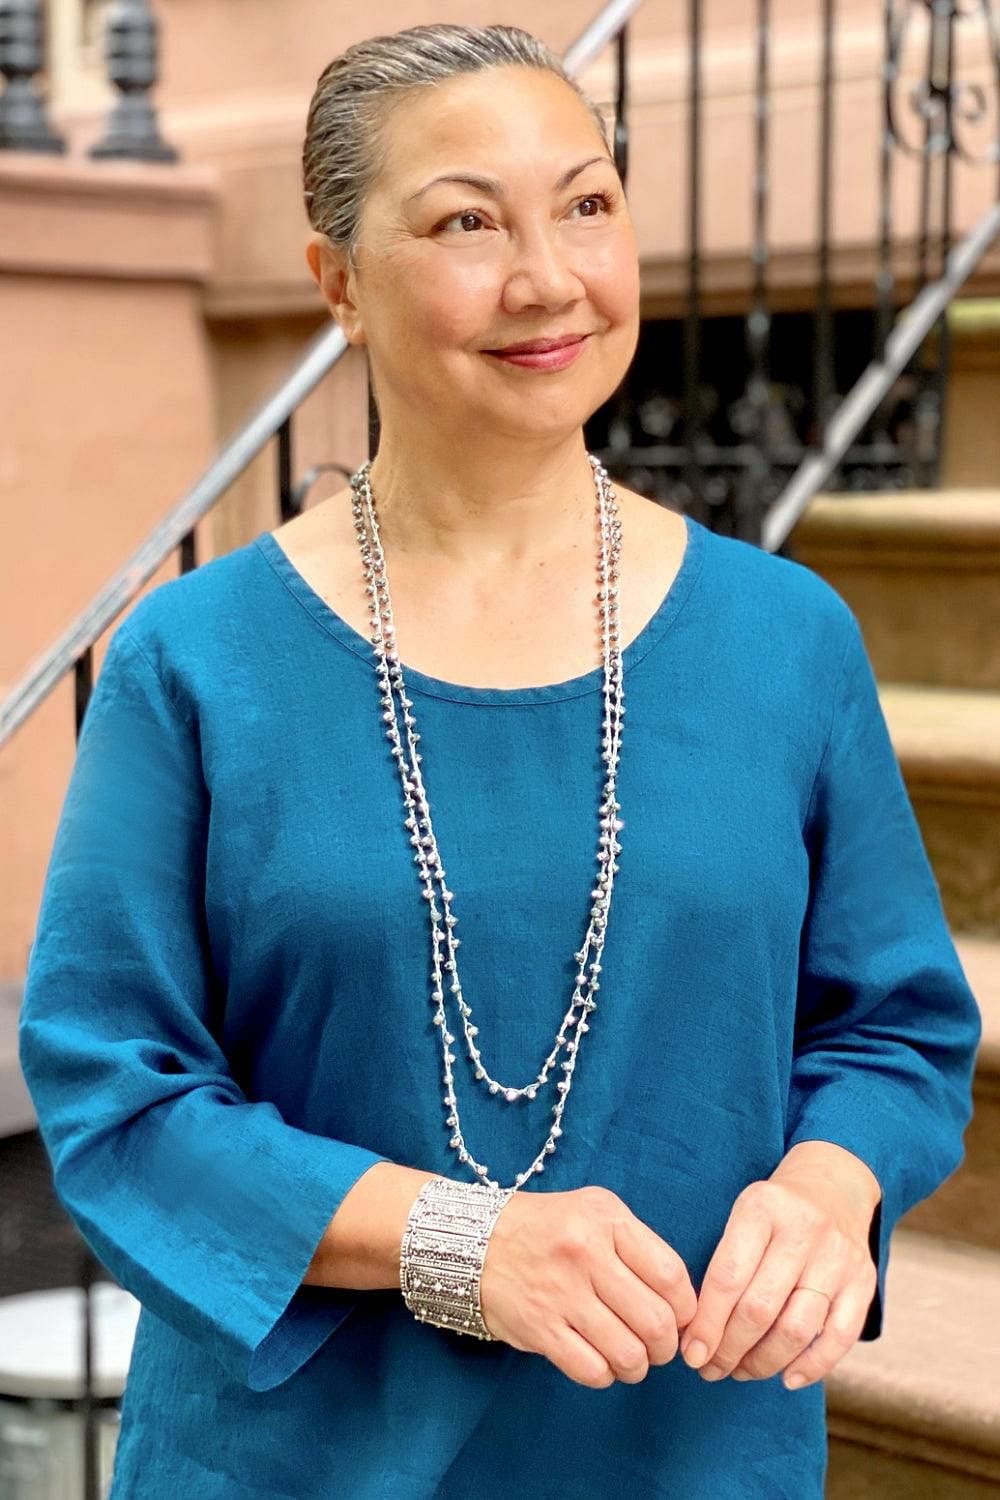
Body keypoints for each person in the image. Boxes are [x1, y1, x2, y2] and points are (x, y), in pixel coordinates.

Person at [18, 21, 981, 1499]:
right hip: (297, 1470)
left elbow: (897, 1028)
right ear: (337, 278)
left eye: (587, 204)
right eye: (466, 220)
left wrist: (827, 1184)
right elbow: (113, 1094)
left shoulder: (786, 638)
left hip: (693, 1453)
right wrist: (456, 1243)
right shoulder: (197, 664)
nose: (548, 277)